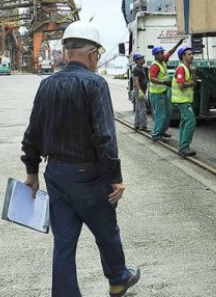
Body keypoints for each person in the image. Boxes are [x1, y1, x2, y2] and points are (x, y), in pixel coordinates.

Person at [21, 21, 140, 297]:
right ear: (90, 54)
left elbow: (32, 133)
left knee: (63, 243)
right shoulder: (95, 84)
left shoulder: (46, 85)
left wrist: (31, 171)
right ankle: (118, 280)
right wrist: (116, 178)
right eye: (97, 55)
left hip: (56, 174)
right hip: (89, 175)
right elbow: (105, 137)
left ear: (66, 52)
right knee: (107, 232)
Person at [148, 38, 184, 142]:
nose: (162, 55)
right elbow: (152, 78)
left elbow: (171, 52)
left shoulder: (162, 61)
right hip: (157, 94)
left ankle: (162, 131)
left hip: (163, 92)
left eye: (162, 53)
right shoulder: (155, 66)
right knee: (161, 114)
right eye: (160, 53)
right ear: (155, 55)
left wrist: (178, 44)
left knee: (168, 112)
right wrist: (164, 82)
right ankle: (156, 134)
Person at [172, 45, 197, 157]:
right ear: (183, 56)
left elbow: (194, 84)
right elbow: (181, 86)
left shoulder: (188, 68)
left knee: (184, 122)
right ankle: (184, 147)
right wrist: (191, 82)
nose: (192, 56)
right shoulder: (181, 68)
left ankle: (182, 146)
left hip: (185, 99)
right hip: (182, 100)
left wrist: (194, 73)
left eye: (192, 54)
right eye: (189, 54)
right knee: (191, 121)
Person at [131, 53, 149, 132]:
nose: (143, 59)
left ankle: (137, 124)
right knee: (142, 108)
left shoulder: (141, 68)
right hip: (139, 91)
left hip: (141, 90)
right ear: (138, 60)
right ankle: (143, 126)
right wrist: (140, 91)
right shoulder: (137, 69)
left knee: (138, 108)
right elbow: (136, 81)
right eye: (141, 58)